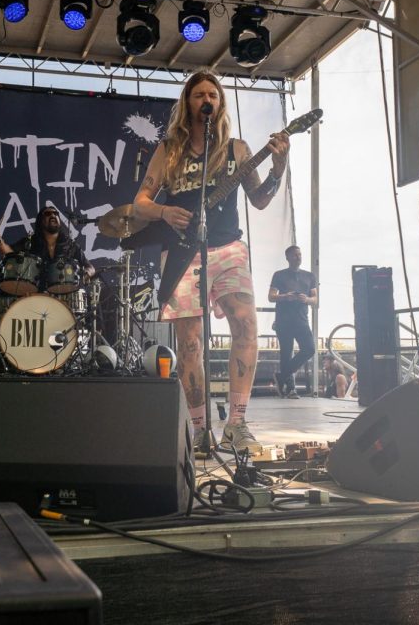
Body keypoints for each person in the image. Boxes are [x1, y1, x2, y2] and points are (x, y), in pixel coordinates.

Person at [133, 70, 289, 456]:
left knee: (246, 323)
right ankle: (201, 430)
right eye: (199, 94)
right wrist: (165, 211)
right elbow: (141, 202)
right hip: (183, 252)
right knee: (189, 343)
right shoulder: (169, 149)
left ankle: (236, 423)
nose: (207, 100)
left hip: (228, 249)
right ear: (188, 102)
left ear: (220, 104)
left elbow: (261, 199)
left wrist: (279, 167)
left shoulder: (237, 150)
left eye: (213, 95)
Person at [0, 205, 94, 292]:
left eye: (55, 213)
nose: (53, 215)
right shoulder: (30, 241)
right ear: (41, 221)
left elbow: (90, 267)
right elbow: (10, 253)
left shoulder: (71, 245)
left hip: (66, 294)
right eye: (48, 214)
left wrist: (86, 273)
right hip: (37, 294)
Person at [269, 245, 317, 399]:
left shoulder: (309, 276)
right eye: (295, 255)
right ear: (288, 258)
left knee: (309, 349)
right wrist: (285, 296)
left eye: (300, 254)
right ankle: (290, 389)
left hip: (302, 319)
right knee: (286, 353)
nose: (298, 257)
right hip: (283, 320)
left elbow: (315, 299)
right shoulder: (279, 275)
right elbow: (271, 296)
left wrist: (307, 299)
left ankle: (281, 376)